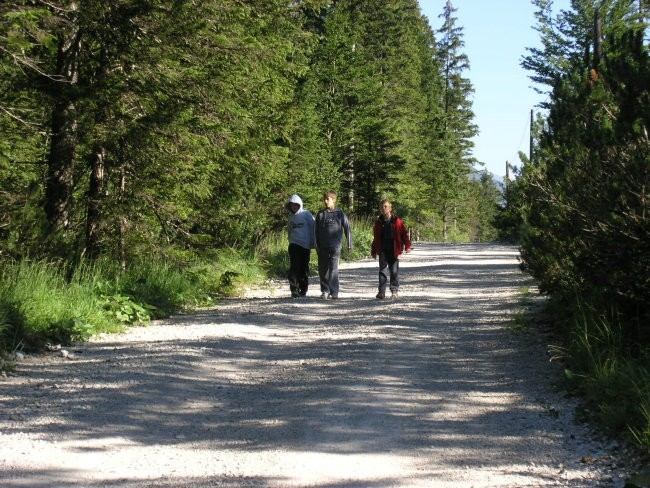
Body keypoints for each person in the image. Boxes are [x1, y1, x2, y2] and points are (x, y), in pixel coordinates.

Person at [370, 199, 412, 299]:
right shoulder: (379, 222)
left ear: (390, 208)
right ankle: (381, 292)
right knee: (382, 272)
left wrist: (408, 246)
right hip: (383, 250)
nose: (383, 208)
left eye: (385, 206)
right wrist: (374, 250)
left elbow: (404, 234)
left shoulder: (397, 221)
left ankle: (394, 291)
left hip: (394, 250)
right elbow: (376, 238)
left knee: (394, 271)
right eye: (382, 207)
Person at [315, 190, 352, 300]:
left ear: (334, 200)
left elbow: (347, 229)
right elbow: (315, 231)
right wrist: (316, 245)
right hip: (322, 247)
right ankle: (325, 290)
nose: (325, 201)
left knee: (333, 269)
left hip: (335, 247)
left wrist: (349, 244)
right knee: (323, 269)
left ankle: (334, 291)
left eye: (328, 199)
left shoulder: (340, 213)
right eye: (324, 199)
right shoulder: (321, 214)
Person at [285, 194, 315, 298]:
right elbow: (289, 230)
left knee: (304, 267)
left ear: (300, 205)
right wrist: (290, 240)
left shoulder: (306, 214)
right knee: (294, 267)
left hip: (305, 245)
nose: (294, 207)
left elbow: (313, 228)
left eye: (296, 205)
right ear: (290, 206)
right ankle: (294, 289)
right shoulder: (290, 216)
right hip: (293, 244)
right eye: (292, 205)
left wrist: (313, 242)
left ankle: (303, 289)